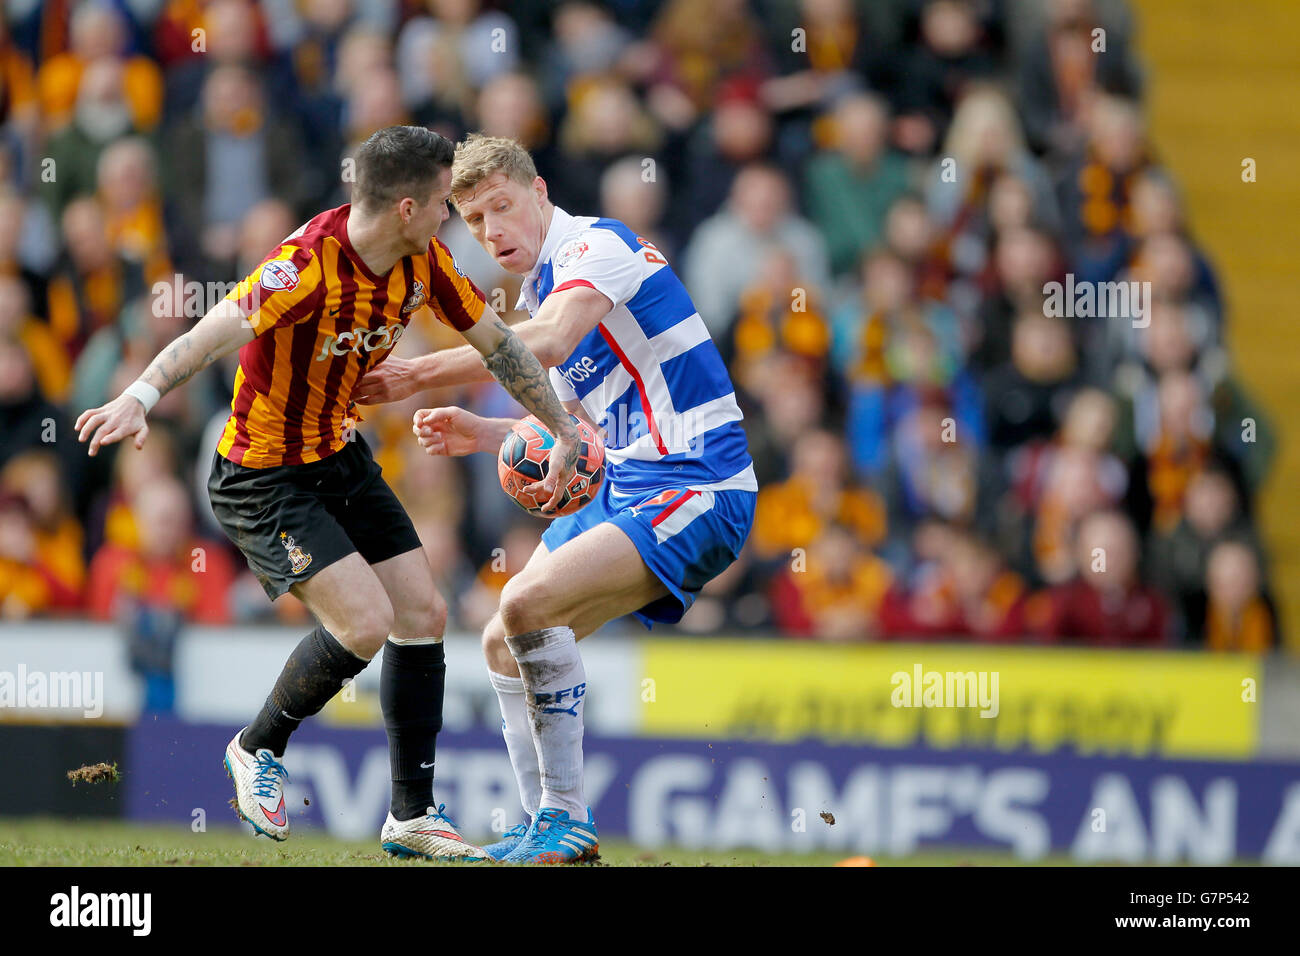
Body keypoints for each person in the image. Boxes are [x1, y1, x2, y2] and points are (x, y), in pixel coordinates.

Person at [74, 126, 581, 860]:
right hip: (262, 475)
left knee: (423, 611)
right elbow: (212, 332)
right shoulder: (304, 266)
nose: (450, 219)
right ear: (406, 207)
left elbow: (499, 345)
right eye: (443, 203)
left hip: (338, 455)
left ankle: (410, 814)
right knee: (367, 620)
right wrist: (143, 393)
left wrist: (560, 424)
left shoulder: (425, 262)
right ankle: (256, 747)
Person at [354, 133, 757, 863]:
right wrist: (483, 433)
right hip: (633, 481)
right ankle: (550, 825)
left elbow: (543, 342)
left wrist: (418, 374)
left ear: (538, 194)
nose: (491, 232)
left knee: (524, 608)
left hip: (701, 480)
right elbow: (571, 426)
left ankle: (566, 819)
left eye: (502, 208)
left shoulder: (599, 247)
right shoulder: (545, 287)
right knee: (499, 640)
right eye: (473, 222)